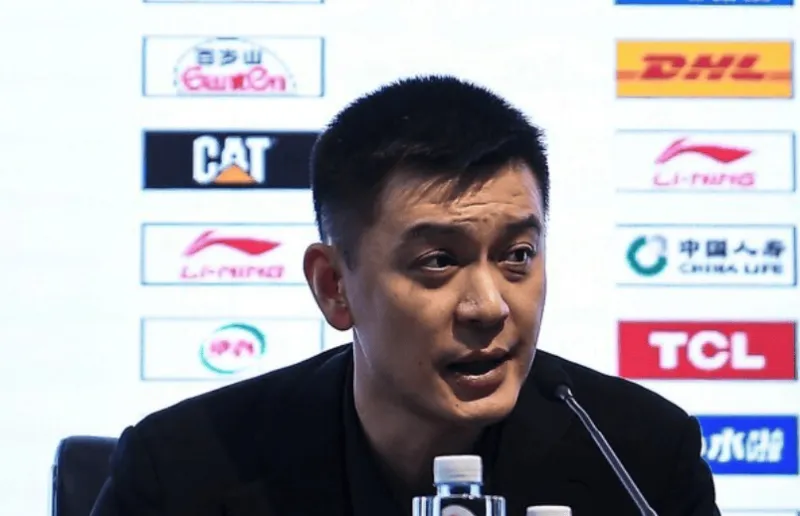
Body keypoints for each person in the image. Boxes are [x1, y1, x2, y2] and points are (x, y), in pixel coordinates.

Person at [90, 75, 719, 516]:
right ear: (334, 287)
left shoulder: (639, 457)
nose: (489, 307)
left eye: (517, 256)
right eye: (438, 261)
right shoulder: (182, 473)